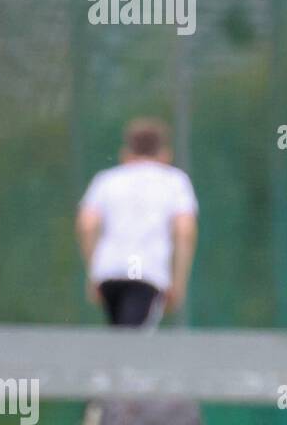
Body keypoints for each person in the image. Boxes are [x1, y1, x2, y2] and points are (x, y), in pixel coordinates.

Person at [76, 118, 198, 327]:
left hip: (109, 272)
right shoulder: (175, 181)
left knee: (121, 337)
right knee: (134, 347)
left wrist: (94, 271)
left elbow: (86, 224)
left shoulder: (106, 180)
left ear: (126, 153)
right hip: (147, 272)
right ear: (165, 154)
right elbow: (185, 229)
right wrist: (178, 282)